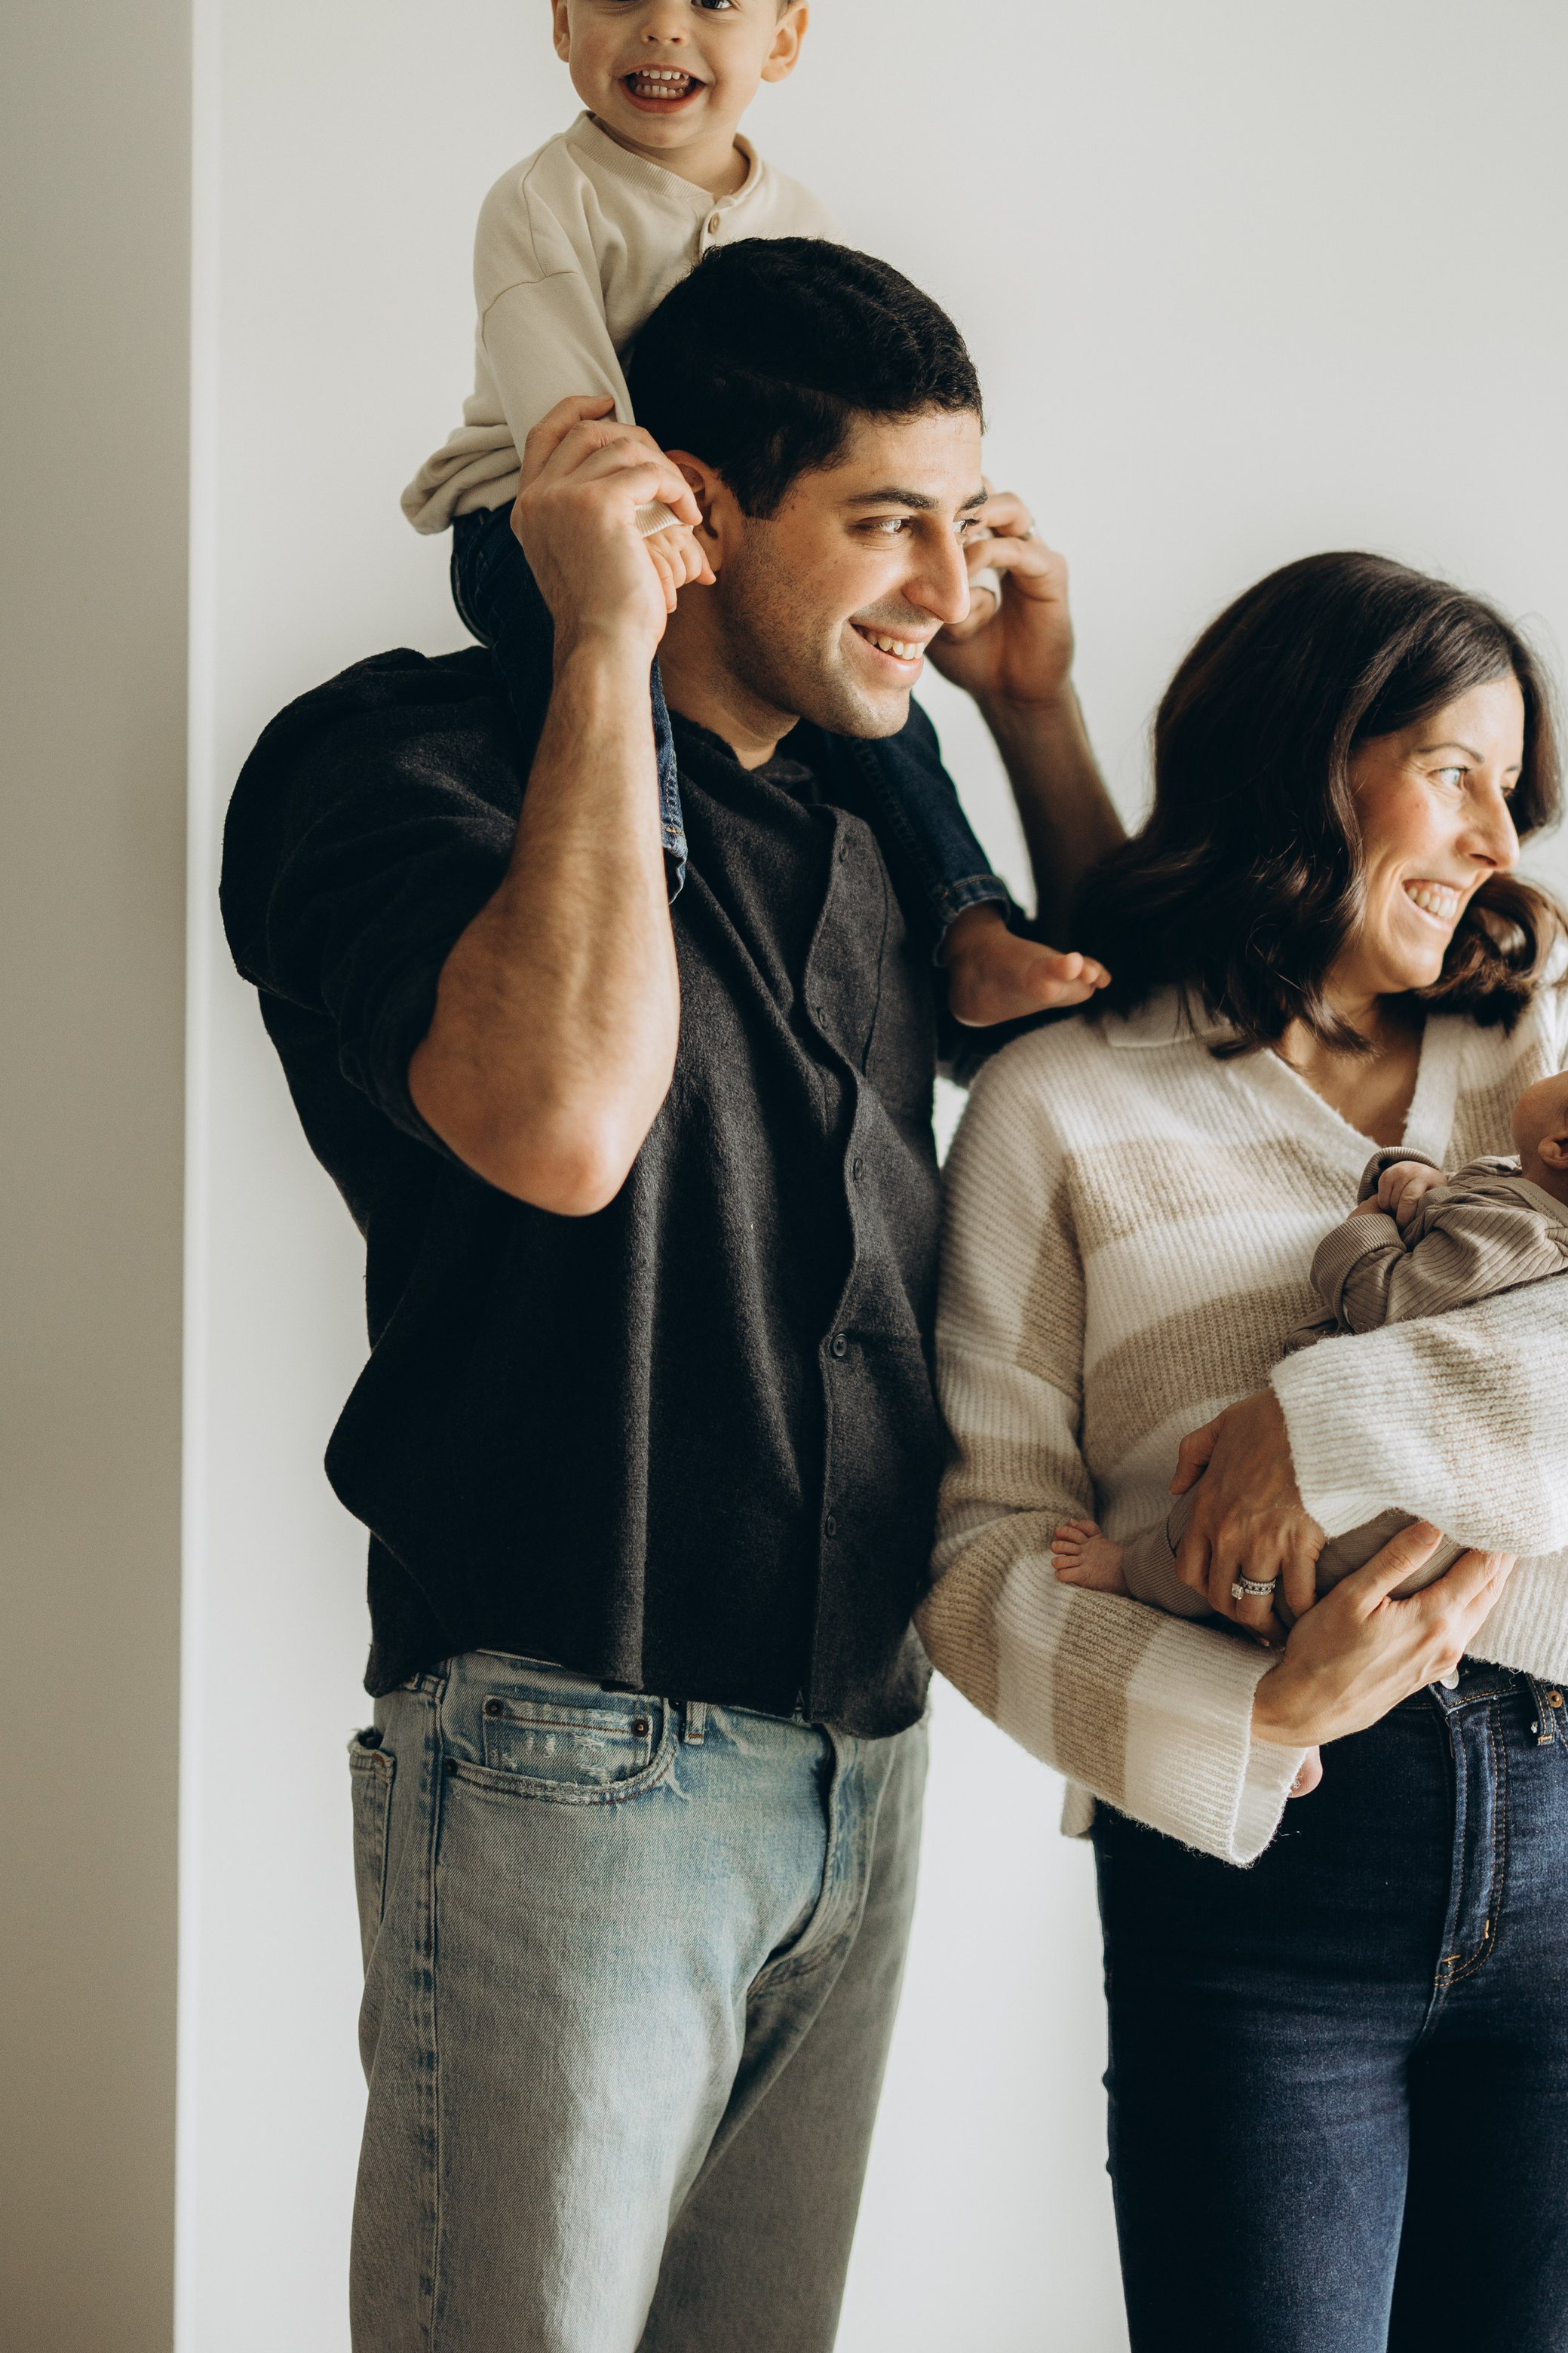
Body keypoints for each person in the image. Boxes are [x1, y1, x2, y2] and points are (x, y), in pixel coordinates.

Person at [221, 238, 1125, 2353]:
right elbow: (555, 1119)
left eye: (961, 518)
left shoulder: (868, 818)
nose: (944, 583)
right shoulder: (394, 762)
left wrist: (1034, 715)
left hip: (858, 1744)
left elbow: (1136, 1076)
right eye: (884, 522)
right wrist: (604, 642)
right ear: (694, 513)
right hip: (565, 1742)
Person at [919, 551, 1568, 2353]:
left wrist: (1316, 1430)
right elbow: (981, 1552)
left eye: (1508, 789)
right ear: (1306, 757)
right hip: (1261, 1877)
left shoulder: (1559, 1035)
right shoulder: (1053, 1104)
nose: (1494, 837)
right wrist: (1250, 1709)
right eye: (1453, 770)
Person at [399, 0, 1089, 1028]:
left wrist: (902, 526)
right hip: (535, 514)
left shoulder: (801, 219)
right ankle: (652, 909)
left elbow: (843, 413)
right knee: (609, 677)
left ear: (784, 38)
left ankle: (967, 922)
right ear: (559, 16)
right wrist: (655, 545)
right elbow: (573, 423)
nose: (664, 27)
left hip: (724, 527)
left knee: (880, 697)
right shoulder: (544, 203)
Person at [1051, 1023, 1568, 1645]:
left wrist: (1365, 1226)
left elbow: (1389, 1299)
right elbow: (1453, 1235)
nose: (1556, 1065)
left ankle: (1128, 1569)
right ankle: (1294, 1716)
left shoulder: (1513, 1235)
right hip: (1416, 1526)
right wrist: (1412, 1179)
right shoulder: (1546, 1223)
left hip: (1378, 1501)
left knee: (1205, 1533)